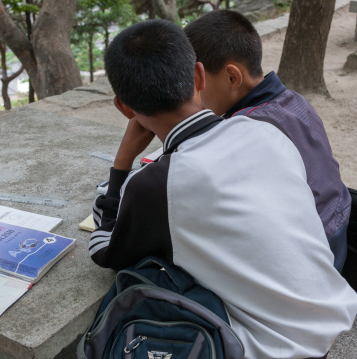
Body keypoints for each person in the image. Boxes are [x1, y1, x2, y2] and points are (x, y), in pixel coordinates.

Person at [90, 19, 357, 359]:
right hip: (333, 308)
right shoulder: (264, 130)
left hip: (277, 347)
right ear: (199, 77)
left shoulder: (157, 184)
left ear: (124, 108)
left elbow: (104, 250)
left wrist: (123, 159)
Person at [184, 10, 350, 272]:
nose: (193, 94)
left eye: (196, 82)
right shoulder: (294, 100)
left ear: (232, 77)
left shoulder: (247, 130)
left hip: (309, 261)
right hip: (338, 234)